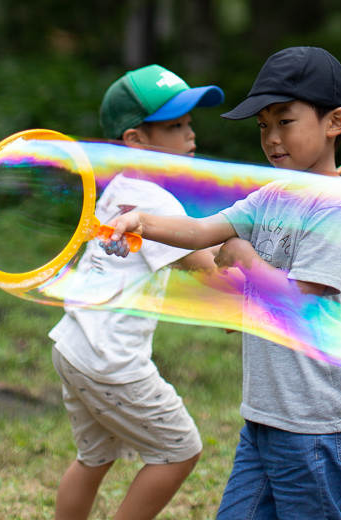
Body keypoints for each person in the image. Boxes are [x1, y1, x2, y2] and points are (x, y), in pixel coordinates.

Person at [102, 47, 341, 520]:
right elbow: (203, 230)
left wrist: (246, 257)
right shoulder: (271, 195)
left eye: (284, 122)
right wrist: (141, 220)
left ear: (334, 122)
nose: (271, 138)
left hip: (313, 419)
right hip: (267, 413)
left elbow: (296, 305)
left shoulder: (333, 207)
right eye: (262, 126)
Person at [48, 64, 224, 520]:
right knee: (180, 450)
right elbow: (206, 265)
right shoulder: (155, 203)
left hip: (73, 346)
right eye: (175, 126)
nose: (190, 137)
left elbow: (194, 240)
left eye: (189, 124)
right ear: (135, 141)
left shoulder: (121, 191)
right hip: (111, 362)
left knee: (94, 458)